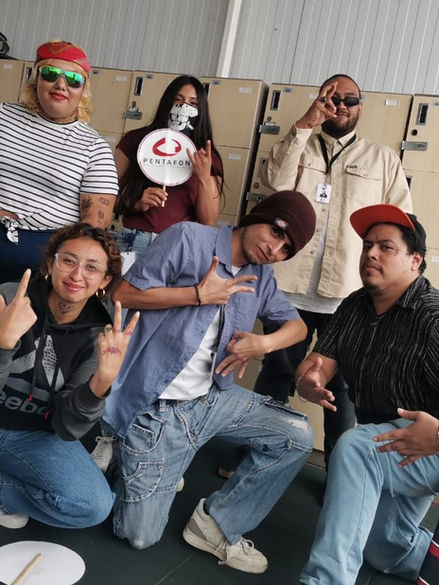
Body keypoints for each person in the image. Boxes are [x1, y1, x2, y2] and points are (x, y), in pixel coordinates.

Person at [104, 191, 316, 573]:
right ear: (257, 216)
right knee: (138, 536)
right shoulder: (188, 238)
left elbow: (298, 327)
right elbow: (122, 294)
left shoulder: (261, 276)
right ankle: (132, 456)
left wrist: (262, 344)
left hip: (212, 399)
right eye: (275, 232)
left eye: (287, 248)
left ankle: (216, 524)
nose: (275, 249)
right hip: (159, 411)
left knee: (296, 435)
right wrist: (198, 295)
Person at [252, 73, 413, 467]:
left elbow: (401, 222)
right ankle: (255, 452)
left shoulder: (382, 159)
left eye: (349, 99)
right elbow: (273, 182)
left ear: (361, 106)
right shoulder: (299, 144)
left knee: (342, 387)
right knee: (277, 372)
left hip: (347, 296)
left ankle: (340, 470)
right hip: (289, 289)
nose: (341, 105)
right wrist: (305, 124)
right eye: (332, 97)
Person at [294, 204, 439, 584]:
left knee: (356, 447)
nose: (371, 253)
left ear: (415, 260)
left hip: (431, 444)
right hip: (395, 447)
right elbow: (319, 363)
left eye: (386, 247)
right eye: (367, 245)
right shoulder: (355, 305)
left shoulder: (433, 318)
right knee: (384, 549)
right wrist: (309, 379)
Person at [0, 223, 138, 530]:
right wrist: (3, 345)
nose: (77, 275)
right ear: (51, 264)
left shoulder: (99, 336)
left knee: (94, 506)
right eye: (68, 261)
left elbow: (66, 428)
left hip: (34, 435)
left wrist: (100, 385)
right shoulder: (8, 297)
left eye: (92, 268)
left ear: (105, 280)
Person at [0, 39, 118, 283]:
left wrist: (64, 267)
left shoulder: (94, 148)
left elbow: (94, 223)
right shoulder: (3, 116)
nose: (61, 85)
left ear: (83, 90)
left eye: (73, 79)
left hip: (41, 258)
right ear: (36, 79)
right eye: (51, 74)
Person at [113, 74, 223, 256]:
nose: (184, 107)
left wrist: (204, 178)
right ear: (167, 102)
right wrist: (135, 203)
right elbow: (104, 197)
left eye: (193, 103)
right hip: (136, 238)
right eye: (177, 100)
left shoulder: (206, 156)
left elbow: (208, 221)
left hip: (179, 245)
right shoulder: (135, 140)